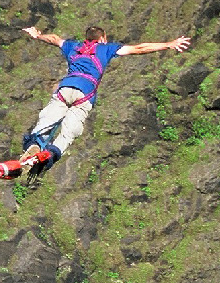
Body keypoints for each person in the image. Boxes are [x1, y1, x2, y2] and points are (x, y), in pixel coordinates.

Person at [16, 24, 192, 173]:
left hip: (65, 88)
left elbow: (54, 38)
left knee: (47, 121)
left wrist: (38, 35)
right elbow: (139, 48)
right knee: (69, 132)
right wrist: (169, 44)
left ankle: (35, 145)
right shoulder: (105, 48)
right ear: (102, 39)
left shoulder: (73, 46)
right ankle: (51, 155)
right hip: (85, 93)